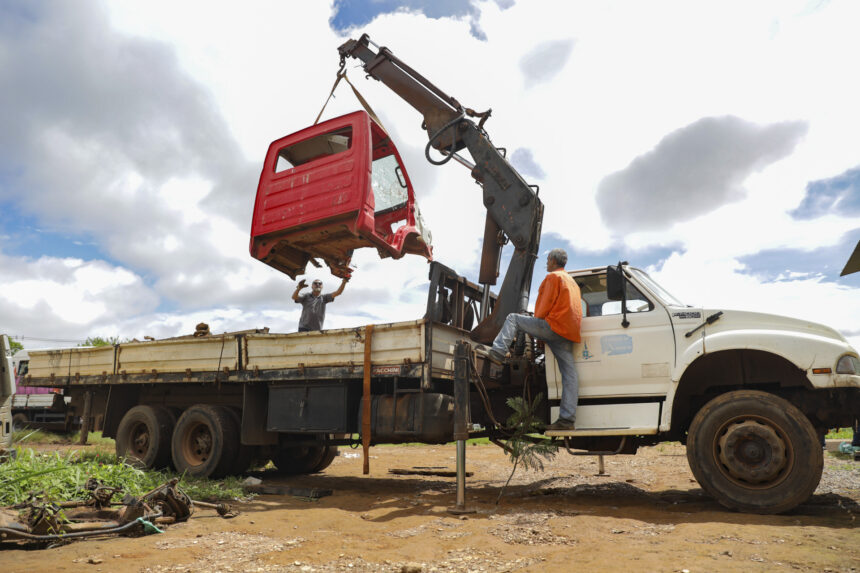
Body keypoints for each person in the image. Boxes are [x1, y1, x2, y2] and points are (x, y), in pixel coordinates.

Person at [487, 248, 582, 431]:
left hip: (553, 326)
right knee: (570, 375)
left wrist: (538, 327)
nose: (546, 263)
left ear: (554, 261)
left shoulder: (553, 278)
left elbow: (541, 311)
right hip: (567, 332)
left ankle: (498, 352)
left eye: (547, 260)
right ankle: (567, 420)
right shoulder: (572, 282)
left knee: (513, 319)